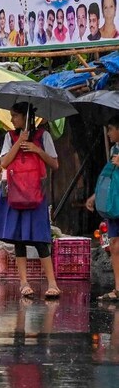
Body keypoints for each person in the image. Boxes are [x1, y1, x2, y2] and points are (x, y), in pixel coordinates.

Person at [0, 102, 61, 299]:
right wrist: (18, 142)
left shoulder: (43, 136)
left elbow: (55, 164)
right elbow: (4, 163)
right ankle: (24, 282)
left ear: (25, 117)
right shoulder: (9, 136)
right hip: (13, 193)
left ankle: (52, 283)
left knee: (40, 238)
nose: (12, 119)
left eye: (15, 116)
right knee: (18, 239)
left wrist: (36, 149)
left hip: (35, 194)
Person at [86, 121, 119, 301]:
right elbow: (108, 178)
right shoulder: (115, 150)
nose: (108, 134)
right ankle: (118, 288)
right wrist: (95, 196)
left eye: (111, 129)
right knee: (114, 244)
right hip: (114, 203)